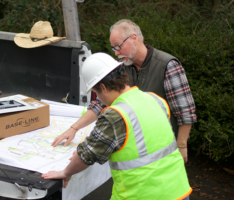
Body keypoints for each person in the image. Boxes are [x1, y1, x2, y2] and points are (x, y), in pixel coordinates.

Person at [43, 52, 192, 200]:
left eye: (96, 93)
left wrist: (65, 173)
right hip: (178, 190)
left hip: (142, 194)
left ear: (103, 87)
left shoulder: (115, 116)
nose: (98, 99)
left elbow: (86, 155)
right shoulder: (155, 99)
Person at [52, 19, 196, 163]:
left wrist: (182, 145)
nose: (116, 53)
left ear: (134, 38)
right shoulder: (122, 67)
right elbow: (100, 104)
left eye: (118, 46)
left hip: (163, 148)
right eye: (114, 48)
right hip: (135, 149)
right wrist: (74, 128)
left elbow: (185, 112)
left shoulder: (167, 65)